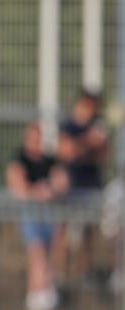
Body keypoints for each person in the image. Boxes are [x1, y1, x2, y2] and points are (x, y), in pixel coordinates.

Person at [7, 123, 70, 310]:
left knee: (52, 251)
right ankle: (36, 292)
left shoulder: (50, 160)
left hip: (50, 214)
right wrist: (37, 192)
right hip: (30, 213)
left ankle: (47, 289)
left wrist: (52, 190)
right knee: (38, 251)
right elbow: (18, 186)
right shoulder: (19, 160)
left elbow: (62, 182)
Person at [56, 89, 109, 283]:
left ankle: (83, 272)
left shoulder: (98, 125)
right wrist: (88, 142)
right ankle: (60, 271)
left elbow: (105, 155)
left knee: (88, 230)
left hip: (91, 183)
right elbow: (67, 152)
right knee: (63, 227)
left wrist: (86, 149)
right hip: (71, 184)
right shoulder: (69, 125)